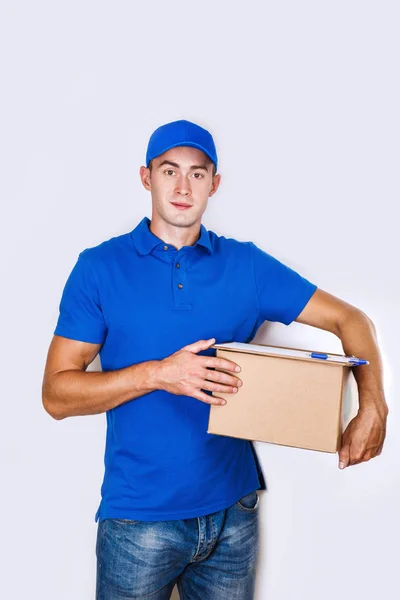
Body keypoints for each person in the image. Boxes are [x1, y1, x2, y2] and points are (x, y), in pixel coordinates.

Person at [42, 119, 388, 599]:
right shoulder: (99, 268)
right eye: (169, 171)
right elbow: (56, 395)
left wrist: (374, 407)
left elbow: (353, 321)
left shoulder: (245, 265)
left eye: (198, 174)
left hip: (232, 516)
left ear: (214, 184)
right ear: (146, 178)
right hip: (138, 520)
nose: (183, 187)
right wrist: (159, 374)